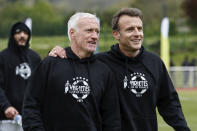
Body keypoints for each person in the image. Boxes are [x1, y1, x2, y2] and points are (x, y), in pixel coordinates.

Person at [50, 8, 190, 131]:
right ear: (116, 34)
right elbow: (75, 62)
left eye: (139, 28)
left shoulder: (155, 62)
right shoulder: (100, 62)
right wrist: (62, 52)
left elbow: (169, 103)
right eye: (130, 29)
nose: (137, 33)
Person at [22, 12, 121, 131]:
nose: (95, 36)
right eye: (89, 30)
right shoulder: (50, 64)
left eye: (97, 31)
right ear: (72, 33)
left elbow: (112, 120)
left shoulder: (104, 71)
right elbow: (31, 107)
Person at [0, 22, 41, 121]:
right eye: (18, 33)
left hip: (31, 116)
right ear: (12, 35)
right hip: (7, 117)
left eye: (25, 33)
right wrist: (6, 106)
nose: (22, 35)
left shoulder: (35, 58)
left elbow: (41, 87)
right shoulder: (3, 57)